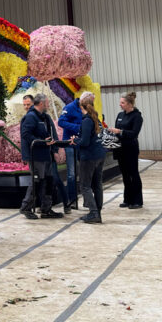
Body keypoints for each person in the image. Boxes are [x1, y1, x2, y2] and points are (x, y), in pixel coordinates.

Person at [19, 94, 63, 220]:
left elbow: (51, 132)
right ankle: (26, 207)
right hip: (36, 155)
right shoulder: (31, 117)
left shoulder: (45, 117)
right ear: (42, 103)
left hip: (46, 154)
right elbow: (26, 134)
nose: (49, 105)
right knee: (36, 182)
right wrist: (41, 141)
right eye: (47, 103)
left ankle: (46, 209)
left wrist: (54, 147)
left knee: (49, 181)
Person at [72, 94, 106, 224]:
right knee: (97, 185)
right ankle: (97, 211)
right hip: (99, 154)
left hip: (89, 156)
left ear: (82, 106)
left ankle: (93, 213)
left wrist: (75, 141)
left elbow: (85, 142)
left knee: (85, 185)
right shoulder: (95, 118)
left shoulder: (87, 120)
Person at [58, 92, 95, 210]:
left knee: (84, 172)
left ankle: (87, 199)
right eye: (90, 101)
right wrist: (78, 127)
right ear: (84, 100)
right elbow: (61, 122)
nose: (91, 104)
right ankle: (72, 200)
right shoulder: (69, 108)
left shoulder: (87, 108)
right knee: (72, 173)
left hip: (82, 144)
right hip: (70, 144)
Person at [108, 92, 143, 209]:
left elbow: (134, 133)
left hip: (131, 148)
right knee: (125, 175)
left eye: (122, 103)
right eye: (120, 103)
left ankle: (137, 200)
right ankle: (127, 199)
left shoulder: (137, 116)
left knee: (133, 173)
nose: (120, 105)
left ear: (129, 104)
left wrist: (120, 132)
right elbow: (116, 130)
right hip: (120, 148)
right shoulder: (120, 115)